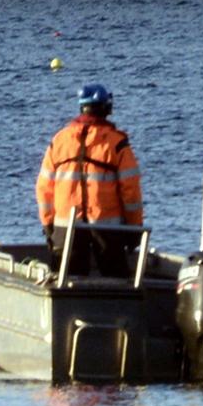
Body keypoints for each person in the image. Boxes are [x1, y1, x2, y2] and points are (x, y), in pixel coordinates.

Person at [38, 84, 143, 268]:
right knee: (116, 282)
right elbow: (131, 192)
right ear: (106, 108)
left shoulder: (59, 140)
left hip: (66, 227)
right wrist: (134, 229)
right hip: (107, 229)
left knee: (64, 278)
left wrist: (48, 225)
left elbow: (44, 188)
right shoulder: (117, 144)